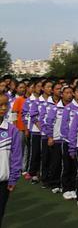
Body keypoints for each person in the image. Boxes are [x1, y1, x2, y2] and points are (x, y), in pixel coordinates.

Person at [0, 93, 22, 226]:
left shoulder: (11, 130)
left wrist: (13, 178)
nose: (3, 108)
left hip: (3, 182)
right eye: (0, 105)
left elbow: (16, 156)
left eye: (5, 104)